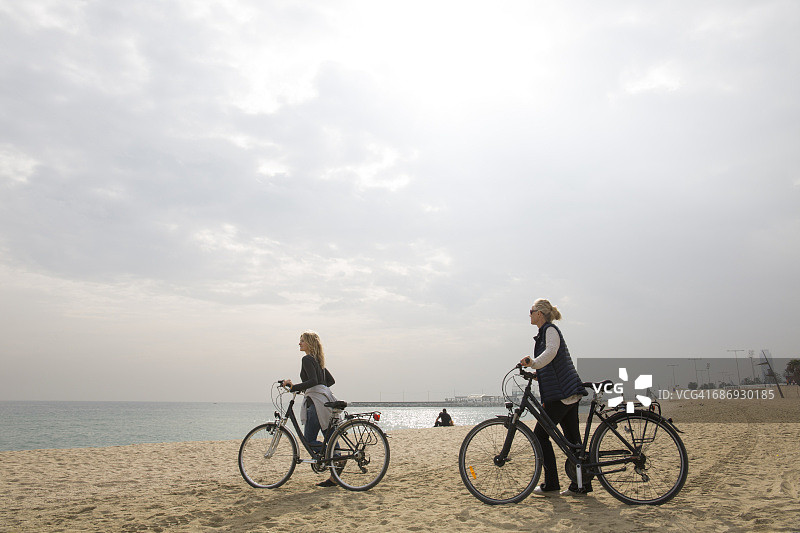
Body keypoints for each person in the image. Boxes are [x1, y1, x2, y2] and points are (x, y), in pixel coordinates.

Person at [520, 299, 592, 497]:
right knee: (572, 439)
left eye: (531, 311)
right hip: (567, 392)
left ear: (540, 314)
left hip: (561, 394)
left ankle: (551, 484)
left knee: (540, 436)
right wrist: (537, 372)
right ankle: (581, 485)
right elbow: (551, 362)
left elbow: (551, 352)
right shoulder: (544, 333)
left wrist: (533, 363)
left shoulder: (550, 330)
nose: (530, 314)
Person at [282, 330, 339, 487]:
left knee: (309, 440)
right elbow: (330, 381)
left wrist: (294, 387)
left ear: (309, 343)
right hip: (324, 400)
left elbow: (313, 381)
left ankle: (335, 456)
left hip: (315, 404)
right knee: (330, 435)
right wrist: (314, 389)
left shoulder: (307, 359)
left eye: (302, 340)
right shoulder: (319, 361)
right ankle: (335, 470)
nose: (299, 343)